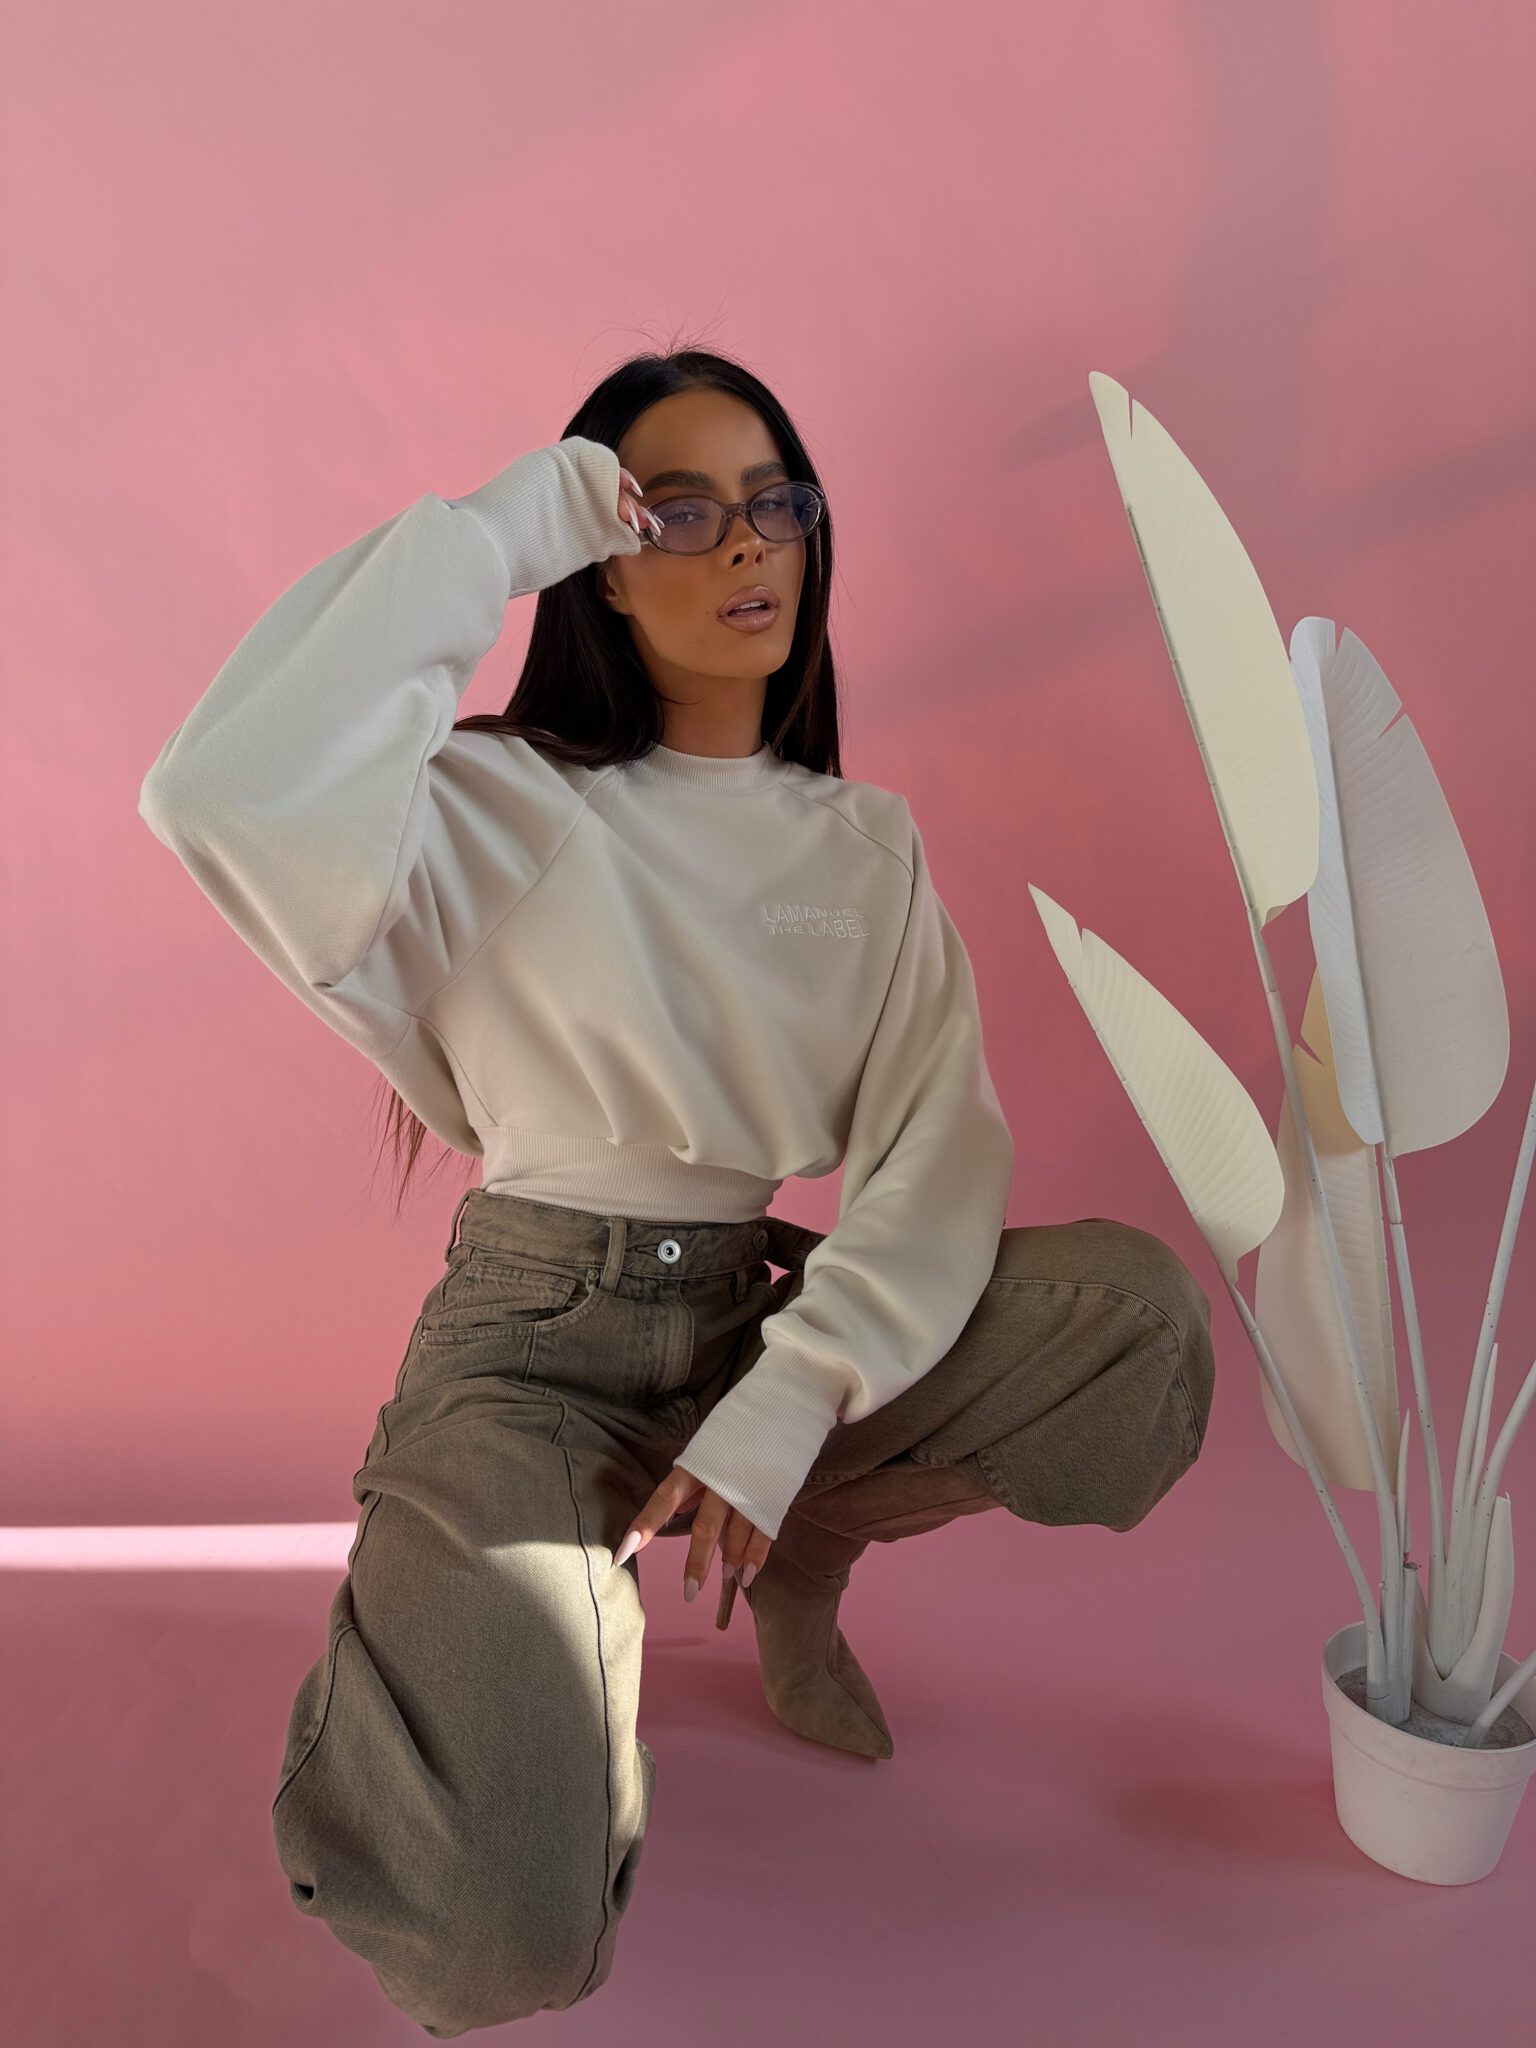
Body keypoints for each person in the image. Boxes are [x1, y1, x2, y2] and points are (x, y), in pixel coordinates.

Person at [137, 345, 1216, 2037]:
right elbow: (216, 791)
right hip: (532, 1357)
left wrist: (793, 1398)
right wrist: (508, 527)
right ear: (608, 565)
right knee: (503, 1939)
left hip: (754, 1328)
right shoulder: (493, 804)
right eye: (681, 512)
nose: (748, 542)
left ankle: (805, 1531)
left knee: (1134, 1331)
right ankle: (461, 1667)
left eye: (775, 501)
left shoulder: (865, 848)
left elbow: (936, 1150)